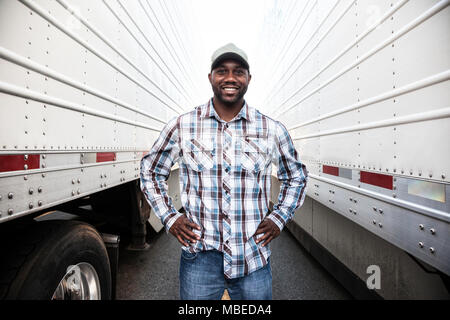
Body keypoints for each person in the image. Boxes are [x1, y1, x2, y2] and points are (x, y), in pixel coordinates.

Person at [140, 43, 308, 300]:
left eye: (238, 71)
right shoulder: (183, 126)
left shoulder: (271, 130)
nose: (230, 78)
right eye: (222, 71)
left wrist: (279, 217)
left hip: (253, 260)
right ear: (211, 77)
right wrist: (170, 218)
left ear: (248, 78)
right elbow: (150, 171)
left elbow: (296, 176)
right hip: (199, 260)